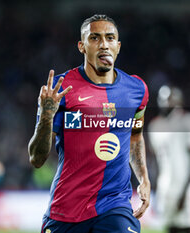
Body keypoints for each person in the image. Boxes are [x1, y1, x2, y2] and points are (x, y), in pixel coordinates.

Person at [28, 14, 150, 233]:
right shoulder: (60, 89)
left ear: (118, 46)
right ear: (81, 46)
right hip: (66, 209)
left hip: (115, 205)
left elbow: (135, 136)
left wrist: (143, 179)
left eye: (110, 38)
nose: (104, 44)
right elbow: (37, 158)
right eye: (94, 38)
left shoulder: (136, 90)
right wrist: (46, 116)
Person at [147, 85, 190, 233]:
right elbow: (155, 161)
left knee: (187, 226)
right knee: (170, 226)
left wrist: (185, 189)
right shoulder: (155, 126)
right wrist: (155, 188)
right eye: (163, 99)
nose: (166, 103)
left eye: (170, 99)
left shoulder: (188, 121)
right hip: (167, 183)